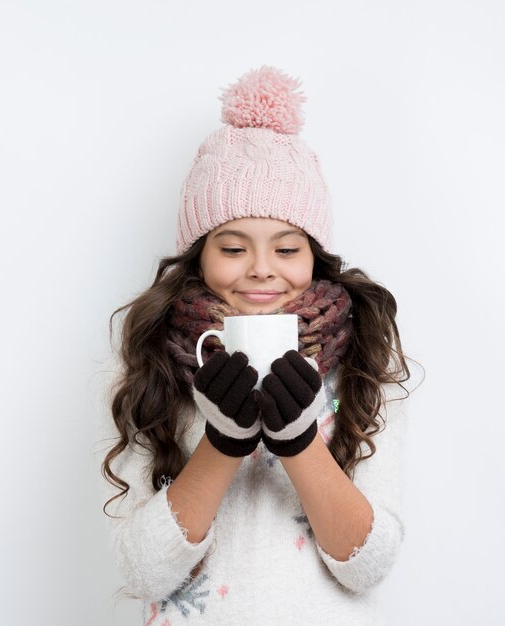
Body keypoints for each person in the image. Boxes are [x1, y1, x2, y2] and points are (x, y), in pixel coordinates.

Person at [99, 65, 423, 625]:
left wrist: (298, 439)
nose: (261, 271)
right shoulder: (154, 362)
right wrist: (223, 442)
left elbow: (367, 567)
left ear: (313, 254)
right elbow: (141, 573)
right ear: (199, 254)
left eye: (287, 247)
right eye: (232, 247)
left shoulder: (364, 362)